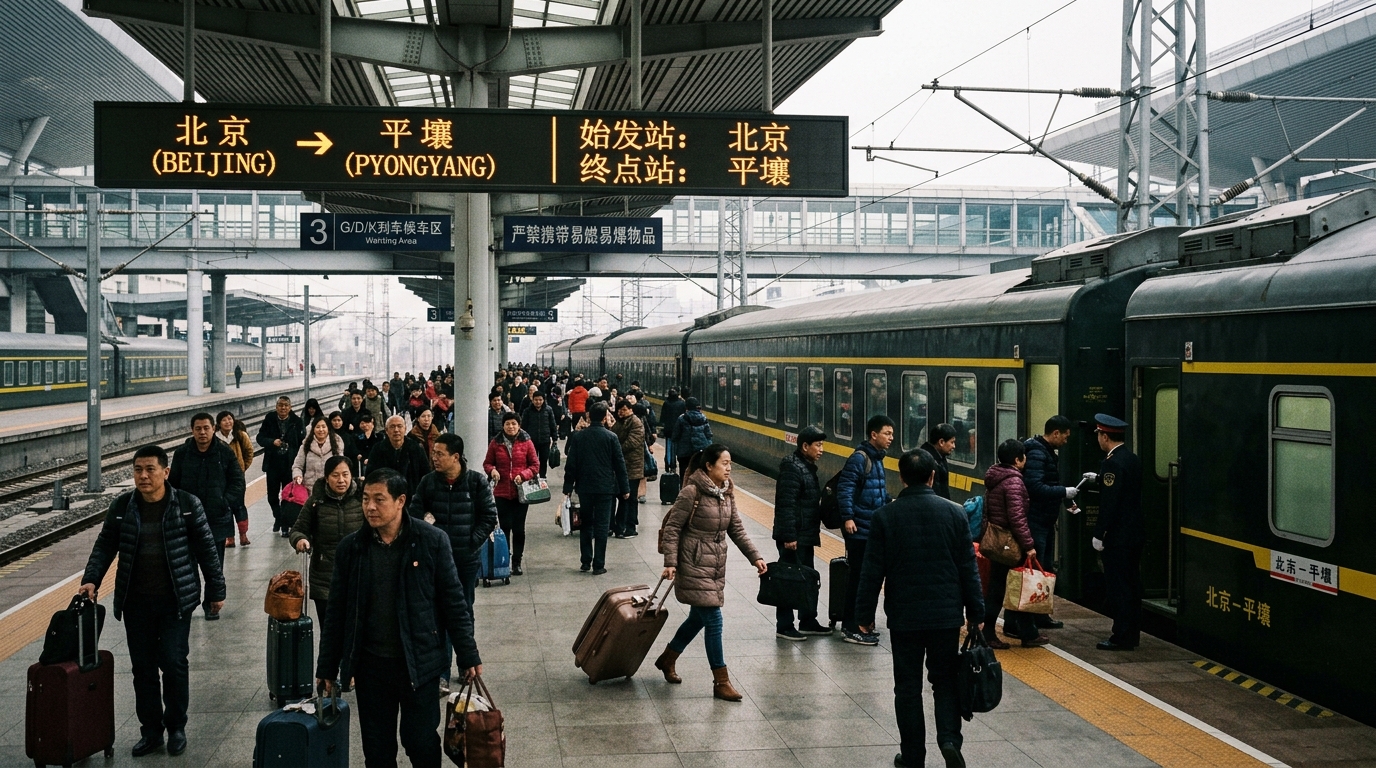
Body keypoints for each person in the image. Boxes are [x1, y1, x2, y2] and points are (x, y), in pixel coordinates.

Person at [316, 468, 482, 768]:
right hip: (371, 666)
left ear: (401, 501)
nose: (370, 507)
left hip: (420, 662)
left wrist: (467, 655)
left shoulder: (432, 541)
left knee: (419, 741)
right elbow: (337, 612)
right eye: (365, 499)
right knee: (377, 750)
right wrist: (327, 666)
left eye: (379, 499)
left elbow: (454, 604)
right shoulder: (351, 549)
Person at [80, 445, 226, 758]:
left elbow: (207, 550)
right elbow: (106, 544)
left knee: (173, 664)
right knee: (143, 669)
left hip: (176, 601)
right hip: (136, 603)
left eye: (150, 469)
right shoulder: (122, 506)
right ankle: (151, 732)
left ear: (165, 472)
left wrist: (216, 590)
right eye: (138, 470)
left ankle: (176, 727)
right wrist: (91, 578)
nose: (143, 476)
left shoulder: (187, 505)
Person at [855, 449, 985, 768]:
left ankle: (913, 756)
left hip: (905, 617)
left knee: (908, 688)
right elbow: (969, 568)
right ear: (932, 476)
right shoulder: (955, 513)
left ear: (901, 478)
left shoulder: (886, 516)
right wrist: (977, 614)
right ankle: (949, 740)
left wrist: (863, 615)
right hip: (945, 617)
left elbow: (872, 570)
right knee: (944, 681)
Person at [654, 444, 767, 701]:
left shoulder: (727, 493)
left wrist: (755, 556)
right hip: (693, 563)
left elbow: (735, 528)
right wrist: (670, 562)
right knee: (714, 620)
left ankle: (667, 658)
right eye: (724, 463)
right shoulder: (691, 492)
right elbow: (672, 529)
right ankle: (721, 681)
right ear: (709, 466)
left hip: (715, 564)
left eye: (730, 463)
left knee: (697, 618)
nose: (729, 468)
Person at [410, 433, 498, 693]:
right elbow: (413, 513)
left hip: (464, 560)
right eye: (433, 453)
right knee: (437, 615)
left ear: (455, 457)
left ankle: (466, 664)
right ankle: (441, 673)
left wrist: (470, 543)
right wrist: (426, 521)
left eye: (439, 454)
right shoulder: (428, 483)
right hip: (434, 562)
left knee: (463, 611)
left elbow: (489, 517)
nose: (434, 457)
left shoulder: (476, 482)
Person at [169, 412, 244, 620]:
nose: (202, 432)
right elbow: (172, 485)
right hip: (187, 520)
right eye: (198, 428)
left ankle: (212, 603)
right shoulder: (182, 453)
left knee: (214, 564)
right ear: (192, 430)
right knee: (187, 565)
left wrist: (224, 501)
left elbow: (237, 482)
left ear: (214, 429)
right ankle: (189, 603)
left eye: (206, 428)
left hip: (216, 519)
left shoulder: (224, 452)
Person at [1084, 414, 1144, 651]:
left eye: (1099, 435)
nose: (1098, 439)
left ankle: (1120, 636)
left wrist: (1100, 533)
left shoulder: (1111, 463)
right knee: (1132, 584)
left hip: (1118, 537)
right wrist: (1099, 479)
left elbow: (1110, 502)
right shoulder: (1132, 459)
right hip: (1135, 533)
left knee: (1118, 586)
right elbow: (1125, 489)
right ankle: (1133, 634)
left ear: (1105, 436)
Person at [981, 439, 1046, 649]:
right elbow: (1017, 517)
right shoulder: (1014, 482)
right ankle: (991, 633)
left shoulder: (996, 477)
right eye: (1024, 457)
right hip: (1010, 543)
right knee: (1010, 587)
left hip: (998, 542)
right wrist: (1029, 545)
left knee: (1006, 587)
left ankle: (1028, 632)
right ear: (1018, 460)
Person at [837, 414, 895, 645]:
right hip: (858, 530)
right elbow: (845, 488)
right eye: (887, 433)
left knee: (866, 578)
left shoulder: (877, 459)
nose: (891, 438)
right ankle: (851, 625)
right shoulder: (859, 459)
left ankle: (862, 622)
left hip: (870, 529)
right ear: (874, 434)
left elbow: (876, 491)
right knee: (857, 579)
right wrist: (848, 517)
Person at [772, 425, 830, 640]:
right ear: (805, 446)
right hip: (794, 536)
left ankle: (808, 620)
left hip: (804, 535)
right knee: (788, 581)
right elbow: (785, 504)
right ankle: (784, 625)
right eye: (818, 445)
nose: (821, 449)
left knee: (807, 579)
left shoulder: (806, 467)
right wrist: (789, 536)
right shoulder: (792, 468)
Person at [290, 455, 364, 621]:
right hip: (324, 577)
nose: (341, 480)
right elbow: (298, 529)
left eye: (345, 474)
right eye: (335, 475)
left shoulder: (362, 499)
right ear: (326, 477)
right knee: (329, 631)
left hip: (358, 575)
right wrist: (300, 539)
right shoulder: (316, 501)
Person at [1021, 415, 1077, 632]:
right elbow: (1034, 486)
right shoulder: (1037, 453)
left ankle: (1040, 614)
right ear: (1055, 433)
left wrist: (1065, 500)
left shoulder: (1043, 452)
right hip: (1036, 520)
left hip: (1044, 519)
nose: (1066, 441)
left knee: (1042, 569)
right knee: (1034, 570)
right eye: (1065, 436)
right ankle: (1027, 619)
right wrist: (1063, 491)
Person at [561, 402, 628, 575]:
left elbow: (571, 464)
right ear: (605, 417)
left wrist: (568, 486)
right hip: (605, 488)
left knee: (586, 524)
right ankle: (599, 564)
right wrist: (625, 488)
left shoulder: (578, 436)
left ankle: (585, 561)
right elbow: (619, 465)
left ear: (589, 417)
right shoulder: (611, 437)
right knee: (602, 525)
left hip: (584, 487)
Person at [483, 413, 540, 576]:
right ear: (503, 425)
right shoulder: (495, 442)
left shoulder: (526, 442)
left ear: (519, 425)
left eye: (514, 424)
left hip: (521, 492)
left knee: (519, 528)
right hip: (501, 492)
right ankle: (505, 560)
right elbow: (487, 463)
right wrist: (492, 470)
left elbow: (535, 465)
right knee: (505, 526)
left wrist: (523, 475)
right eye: (508, 424)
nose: (511, 427)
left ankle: (517, 561)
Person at [258, 396, 306, 536]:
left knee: (288, 496)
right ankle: (278, 517)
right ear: (276, 407)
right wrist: (272, 441)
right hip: (272, 464)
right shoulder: (270, 419)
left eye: (286, 405)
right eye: (280, 405)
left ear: (290, 407)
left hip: (289, 465)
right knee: (272, 496)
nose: (283, 408)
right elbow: (260, 438)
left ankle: (285, 526)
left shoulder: (297, 421)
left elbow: (301, 443)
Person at [215, 411, 254, 548]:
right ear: (219, 423)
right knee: (225, 507)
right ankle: (229, 537)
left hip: (237, 478)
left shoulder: (240, 435)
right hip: (220, 478)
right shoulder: (215, 438)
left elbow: (249, 452)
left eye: (230, 419)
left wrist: (242, 468)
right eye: (224, 420)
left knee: (239, 505)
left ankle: (243, 535)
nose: (228, 422)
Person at [367, 415, 431, 494]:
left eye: (399, 426)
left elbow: (426, 474)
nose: (396, 430)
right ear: (386, 430)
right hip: (386, 494)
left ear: (405, 429)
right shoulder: (378, 449)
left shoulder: (416, 448)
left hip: (411, 495)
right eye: (392, 427)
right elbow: (371, 475)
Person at [610, 399, 645, 538]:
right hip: (622, 467)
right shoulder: (619, 422)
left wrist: (616, 450)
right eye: (619, 410)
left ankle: (630, 526)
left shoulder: (636, 423)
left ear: (631, 409)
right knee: (622, 497)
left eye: (624, 409)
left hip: (633, 467)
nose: (621, 412)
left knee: (630, 498)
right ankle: (620, 525)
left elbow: (632, 442)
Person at [294, 417, 346, 492]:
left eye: (324, 427)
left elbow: (341, 467)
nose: (321, 430)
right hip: (309, 488)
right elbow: (297, 466)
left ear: (328, 428)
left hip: (331, 488)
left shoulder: (336, 444)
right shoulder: (306, 445)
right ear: (313, 429)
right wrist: (297, 476)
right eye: (317, 427)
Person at [520, 390, 558, 478]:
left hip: (545, 440)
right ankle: (532, 477)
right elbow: (523, 426)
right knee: (532, 461)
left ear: (543, 400)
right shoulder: (527, 411)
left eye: (540, 400)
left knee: (543, 460)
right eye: (536, 400)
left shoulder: (548, 410)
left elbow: (552, 424)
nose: (538, 402)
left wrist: (555, 438)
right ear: (532, 400)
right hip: (531, 441)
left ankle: (542, 477)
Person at [671, 398, 713, 478]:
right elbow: (709, 435)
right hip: (700, 453)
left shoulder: (681, 419)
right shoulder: (703, 418)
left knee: (684, 474)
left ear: (686, 407)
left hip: (684, 453)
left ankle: (685, 489)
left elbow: (675, 436)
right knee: (700, 475)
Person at [919, 423, 958, 500]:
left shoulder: (940, 457)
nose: (954, 446)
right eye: (952, 442)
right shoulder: (929, 463)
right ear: (941, 442)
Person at [659, 388, 686, 469]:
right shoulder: (682, 403)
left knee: (669, 447)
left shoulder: (666, 403)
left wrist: (662, 427)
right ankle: (675, 463)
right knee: (677, 447)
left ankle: (669, 463)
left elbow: (662, 417)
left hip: (668, 430)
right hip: (679, 429)